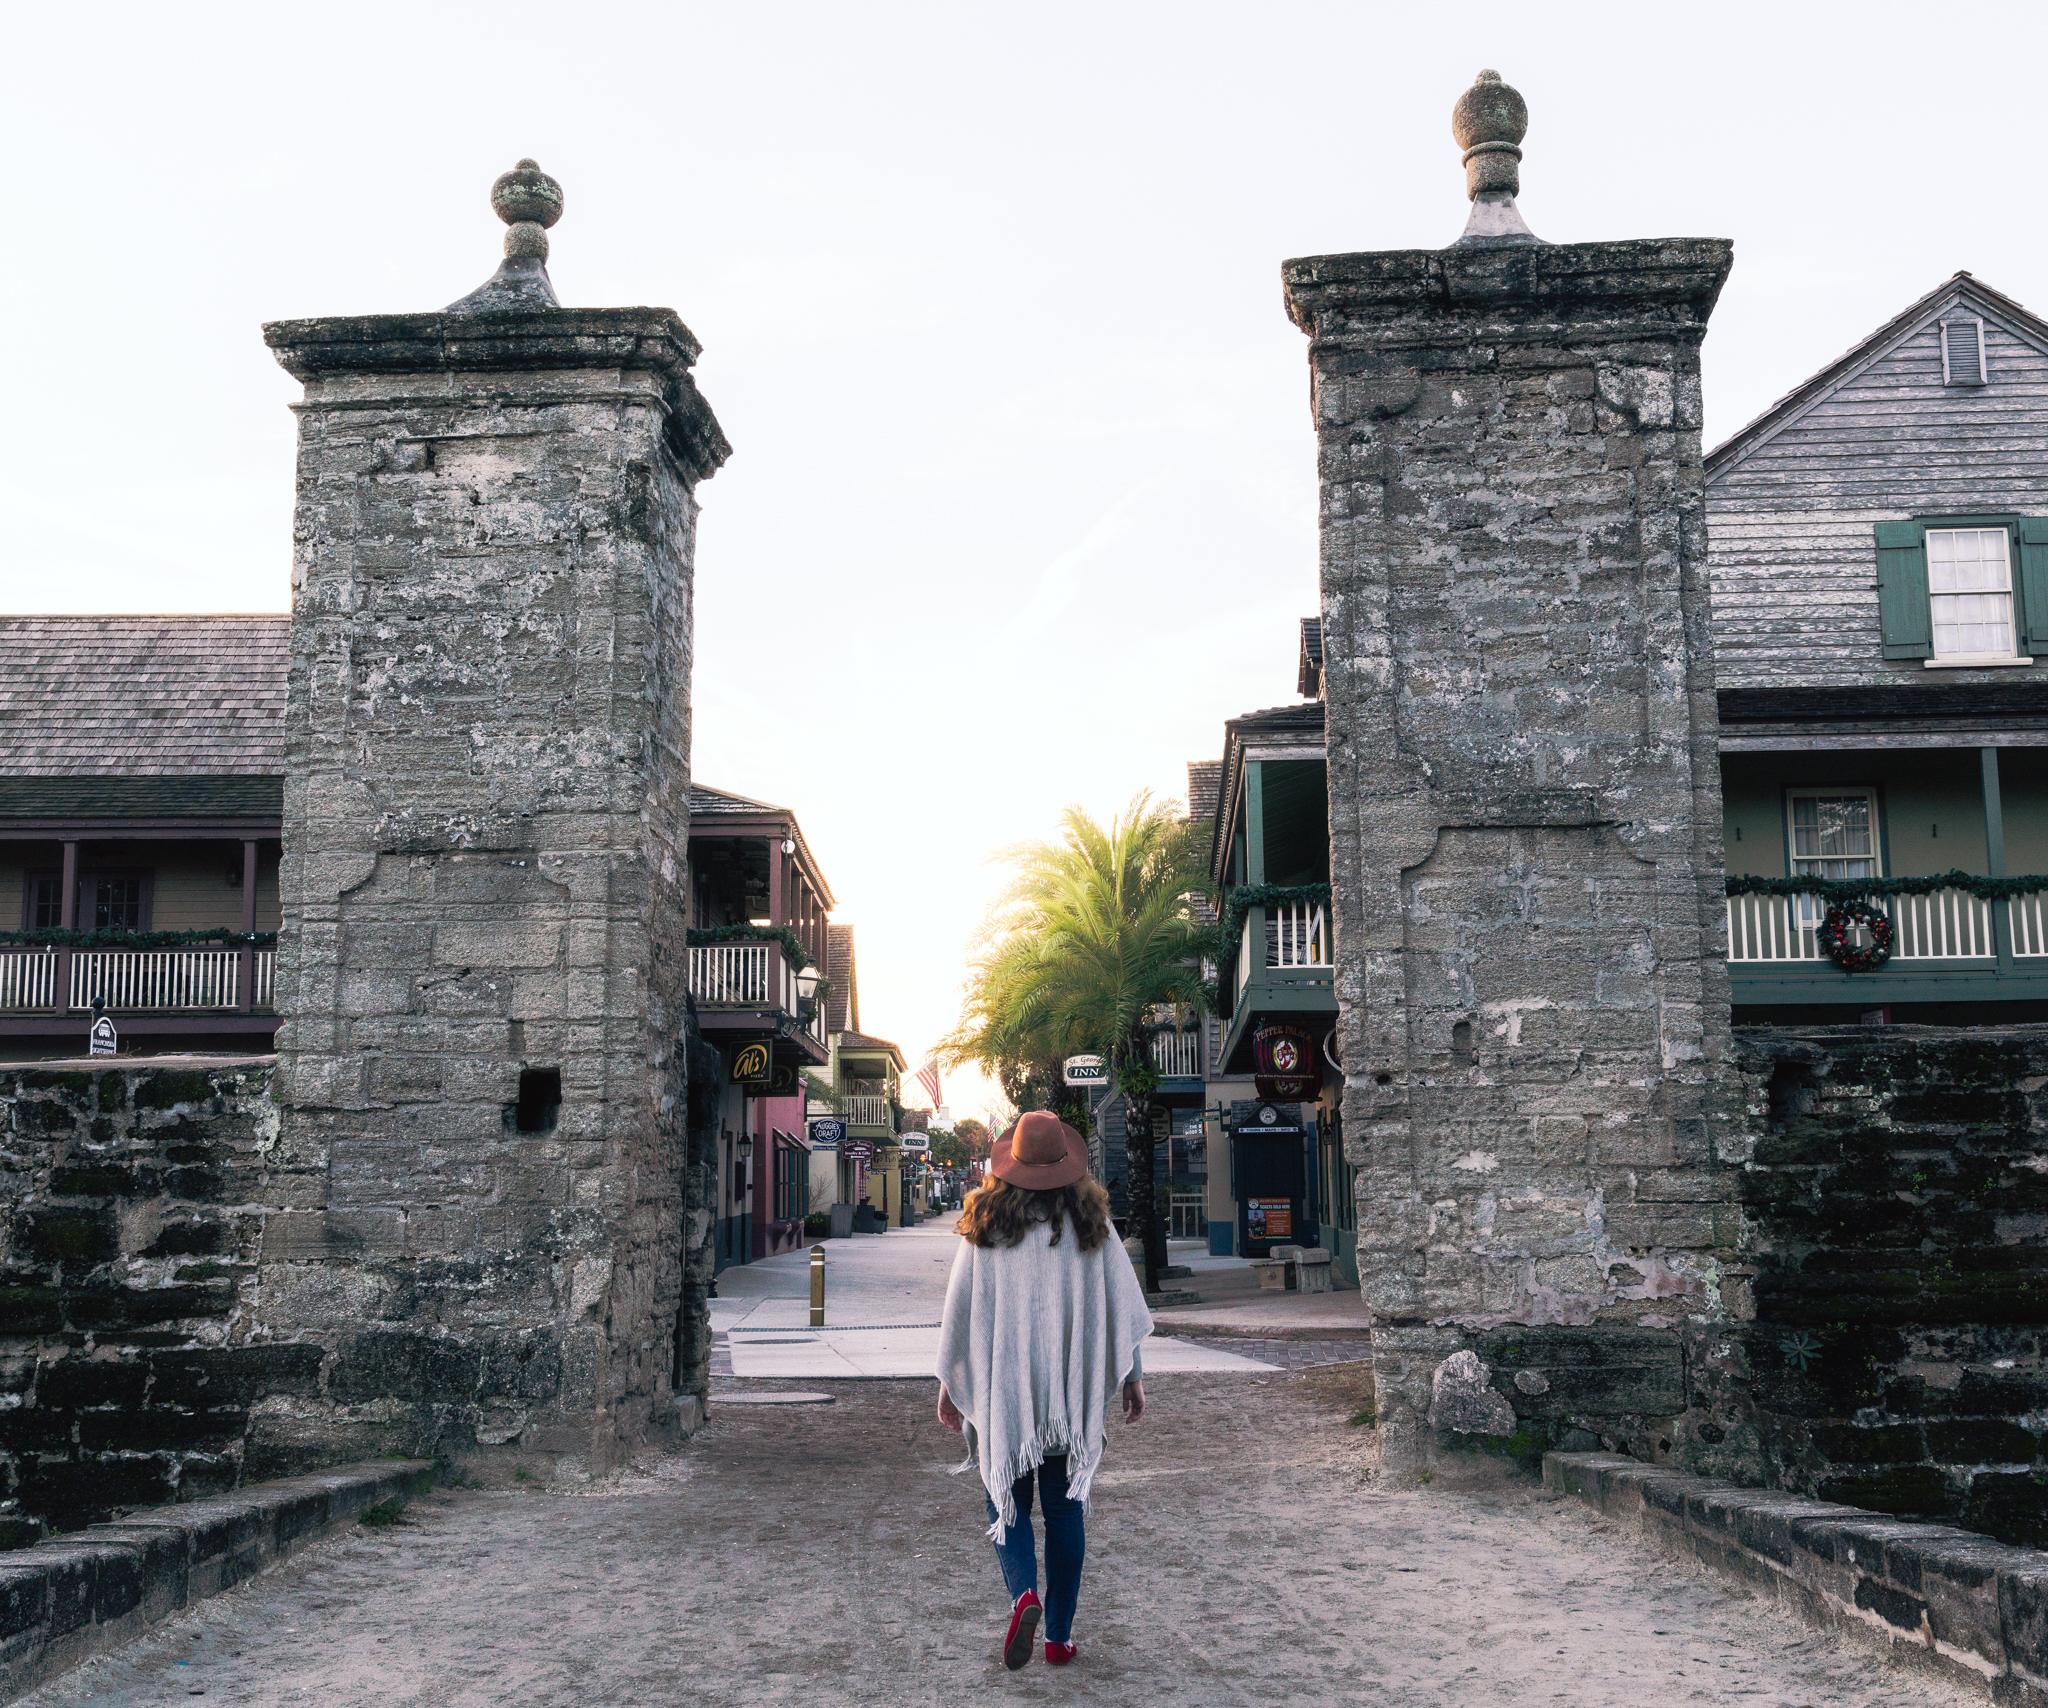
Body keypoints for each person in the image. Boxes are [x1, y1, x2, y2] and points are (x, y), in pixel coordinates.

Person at [934, 1111, 1152, 1671]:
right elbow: (1119, 1311)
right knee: (1063, 1506)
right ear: (1068, 1168)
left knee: (1004, 1495)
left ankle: (1023, 1595)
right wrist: (1132, 1377)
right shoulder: (1093, 1230)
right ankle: (1057, 1636)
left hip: (1004, 1392)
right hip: (1068, 1399)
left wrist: (949, 1387)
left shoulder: (982, 1231)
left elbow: (958, 1318)